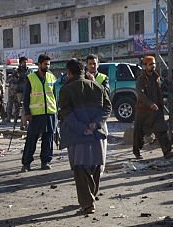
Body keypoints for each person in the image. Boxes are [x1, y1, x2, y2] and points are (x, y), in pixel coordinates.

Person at [58, 58, 112, 214]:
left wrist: (82, 128)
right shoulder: (97, 86)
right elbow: (108, 108)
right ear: (84, 71)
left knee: (80, 169)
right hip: (97, 135)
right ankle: (90, 198)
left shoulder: (66, 90)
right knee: (95, 166)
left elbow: (66, 113)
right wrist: (95, 124)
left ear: (69, 73)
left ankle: (88, 203)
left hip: (78, 137)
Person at [21, 54, 58, 171]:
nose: (47, 66)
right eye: (45, 64)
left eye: (49, 64)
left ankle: (45, 161)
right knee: (32, 139)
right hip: (36, 114)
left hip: (50, 113)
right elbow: (26, 97)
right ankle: (26, 163)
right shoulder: (31, 78)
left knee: (48, 138)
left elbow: (55, 95)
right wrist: (27, 113)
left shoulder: (52, 77)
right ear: (39, 64)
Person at [134, 55, 173, 160]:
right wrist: (150, 103)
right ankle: (136, 152)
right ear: (145, 66)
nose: (153, 66)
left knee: (162, 130)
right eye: (151, 64)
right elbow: (140, 94)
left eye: (154, 64)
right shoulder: (141, 79)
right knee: (138, 133)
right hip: (143, 110)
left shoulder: (156, 77)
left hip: (156, 110)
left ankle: (167, 152)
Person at [7, 57, 29, 128]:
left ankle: (23, 123)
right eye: (24, 62)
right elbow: (12, 80)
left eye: (26, 62)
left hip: (27, 90)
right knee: (19, 108)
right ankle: (18, 123)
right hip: (19, 91)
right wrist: (18, 77)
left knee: (25, 107)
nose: (25, 64)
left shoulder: (28, 70)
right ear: (20, 63)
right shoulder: (17, 71)